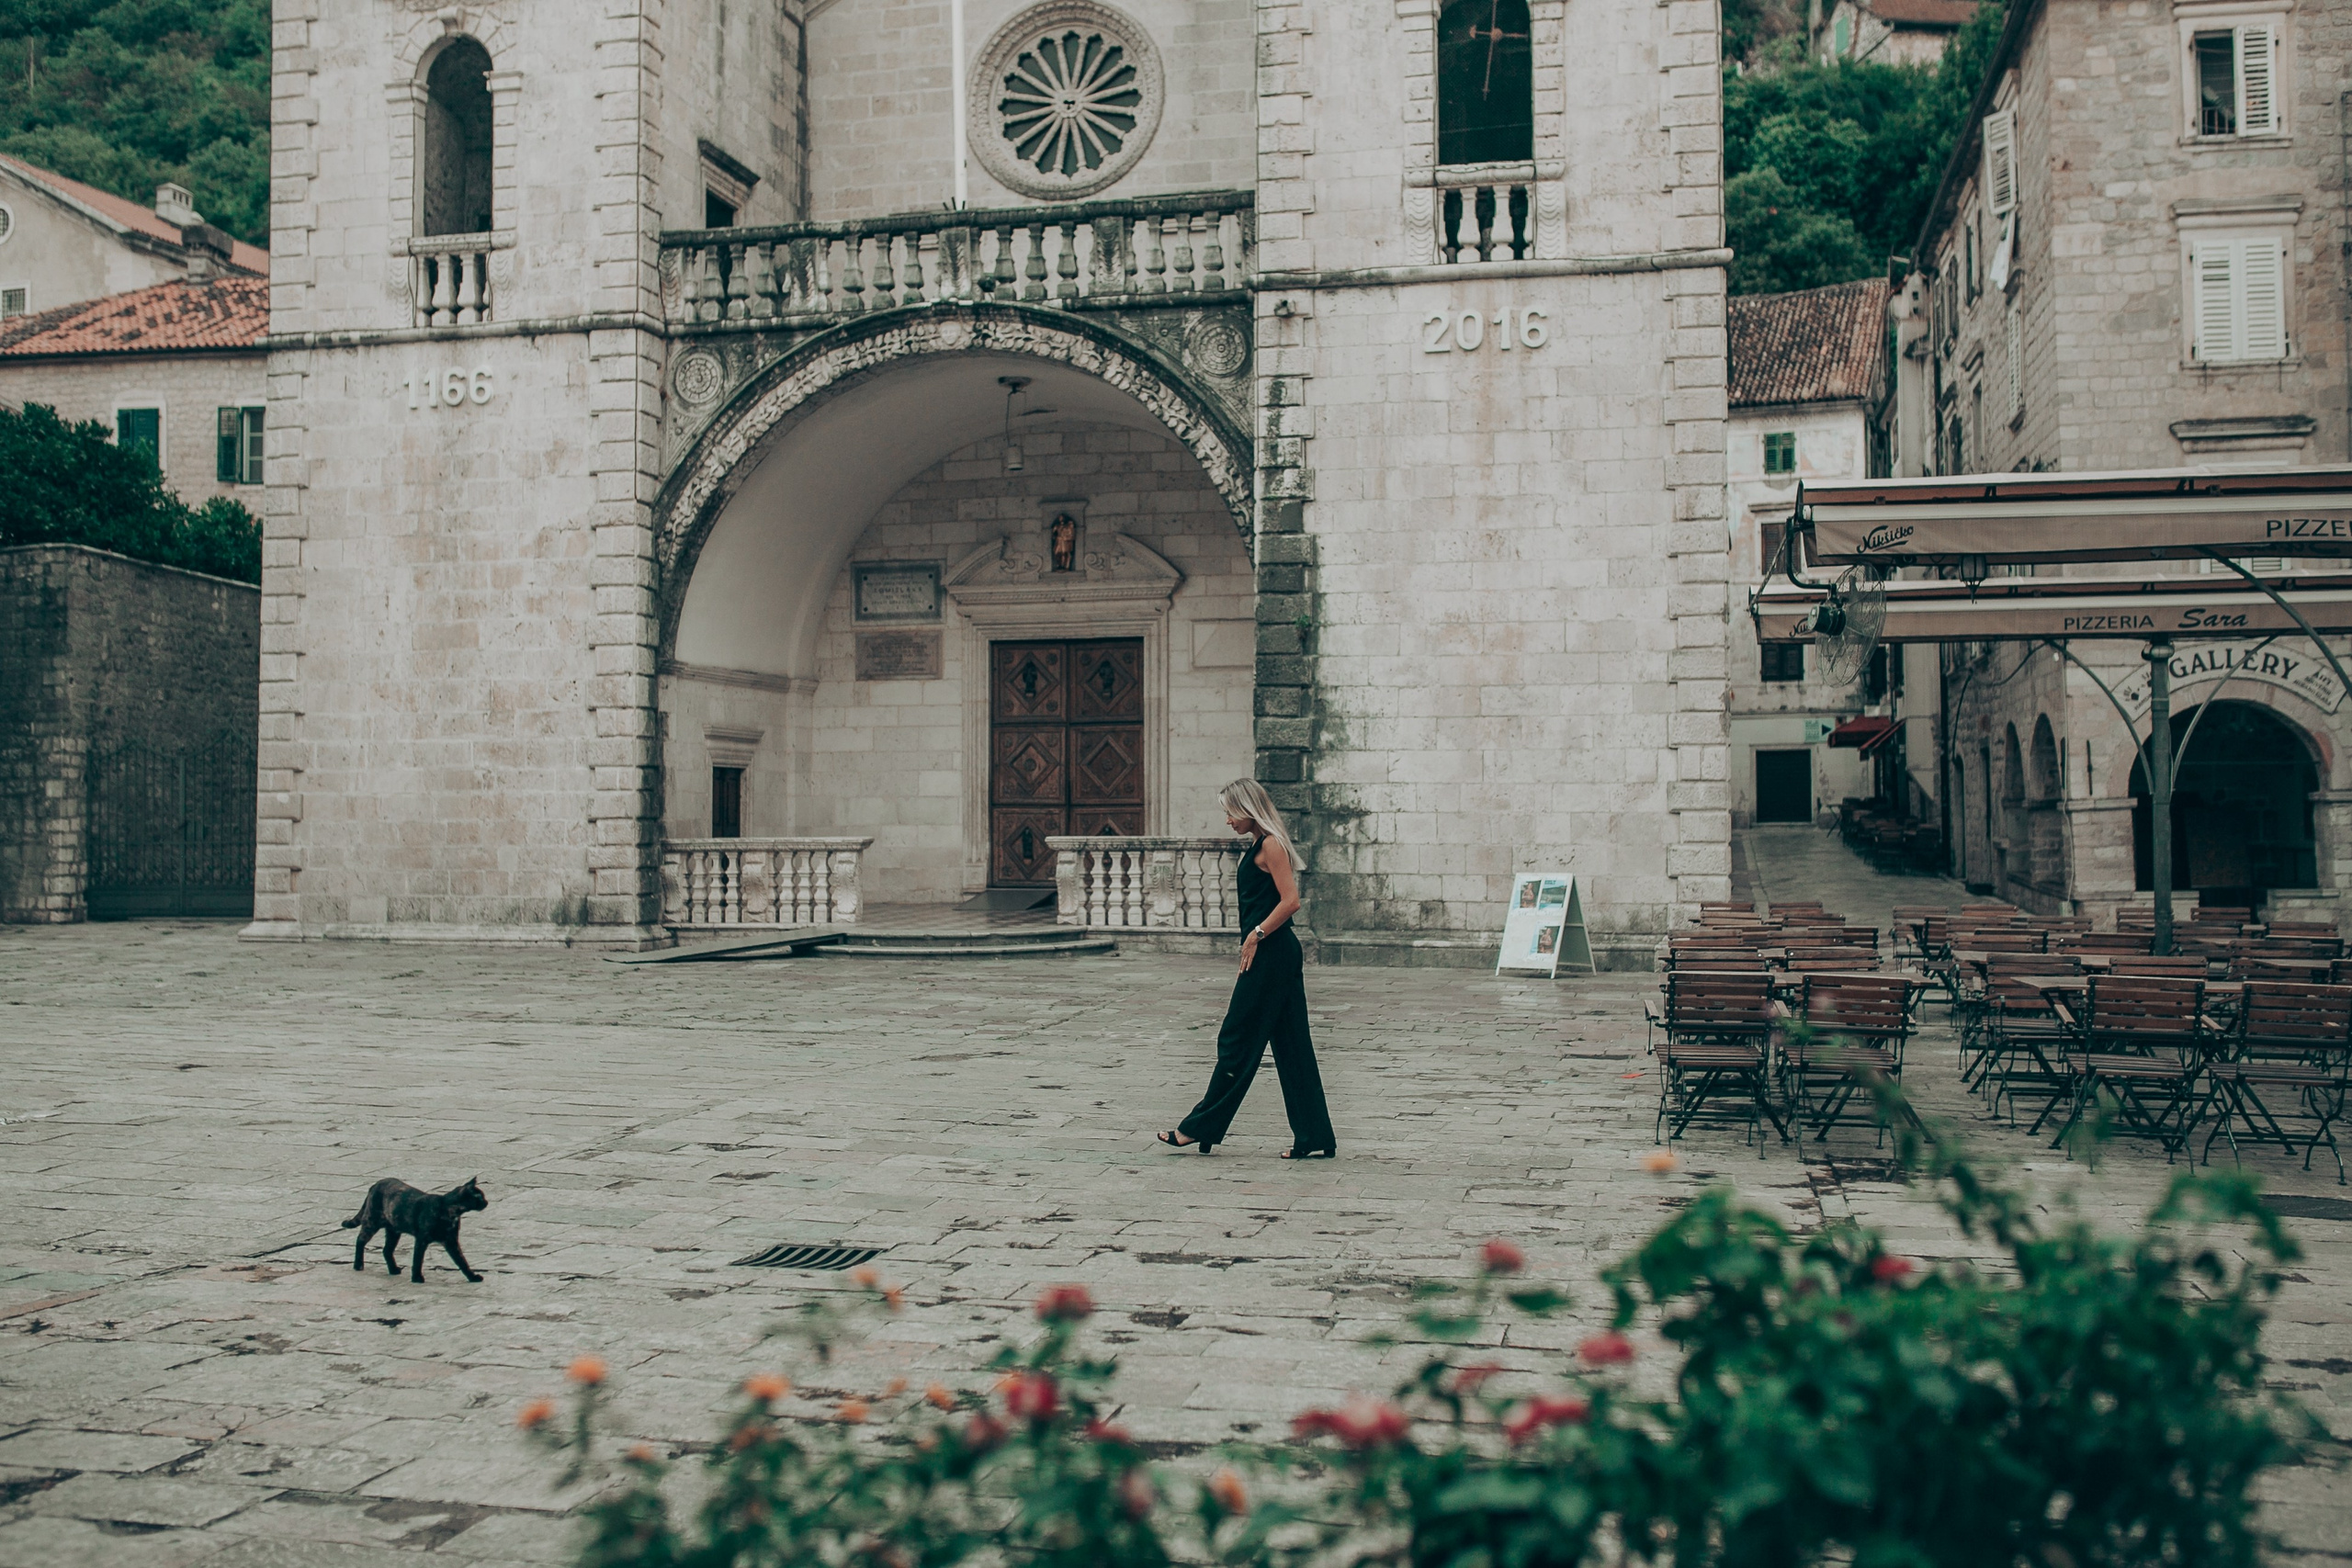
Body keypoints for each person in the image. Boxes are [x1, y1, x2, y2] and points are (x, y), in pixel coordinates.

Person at [1158, 779, 1336, 1159]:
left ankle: (1198, 1128)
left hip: (1272, 955)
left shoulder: (1270, 844)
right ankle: (1314, 1135)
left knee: (1236, 1039)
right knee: (1292, 1047)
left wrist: (1255, 935)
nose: (1227, 820)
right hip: (1275, 955)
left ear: (1248, 809)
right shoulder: (1259, 844)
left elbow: (1291, 902)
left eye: (1230, 812)